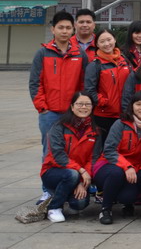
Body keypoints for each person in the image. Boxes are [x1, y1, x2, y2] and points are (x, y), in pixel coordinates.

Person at [29, 11, 87, 202]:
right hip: (50, 113)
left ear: (73, 30)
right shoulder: (43, 53)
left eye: (68, 28)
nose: (64, 31)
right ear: (53, 29)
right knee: (49, 152)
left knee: (73, 150)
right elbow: (35, 83)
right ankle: (47, 191)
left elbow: (84, 84)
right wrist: (42, 107)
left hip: (73, 113)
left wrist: (80, 109)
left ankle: (71, 188)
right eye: (60, 27)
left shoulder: (79, 54)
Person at [93, 90, 141, 225]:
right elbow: (109, 150)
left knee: (128, 197)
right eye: (138, 104)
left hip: (137, 168)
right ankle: (106, 209)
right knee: (116, 173)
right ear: (132, 106)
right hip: (111, 164)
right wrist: (127, 166)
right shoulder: (121, 124)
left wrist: (135, 169)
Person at [41, 91, 102, 223]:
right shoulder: (59, 126)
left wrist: (81, 182)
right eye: (80, 104)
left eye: (87, 104)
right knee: (71, 174)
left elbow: (93, 159)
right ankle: (54, 207)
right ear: (72, 107)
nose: (84, 107)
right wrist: (80, 172)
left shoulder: (95, 131)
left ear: (92, 107)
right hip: (54, 172)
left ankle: (62, 194)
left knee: (79, 203)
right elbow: (58, 155)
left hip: (78, 175)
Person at [84, 28, 132, 139]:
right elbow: (89, 89)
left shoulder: (124, 60)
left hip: (125, 112)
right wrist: (103, 102)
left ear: (114, 39)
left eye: (109, 39)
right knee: (104, 145)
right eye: (102, 41)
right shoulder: (95, 65)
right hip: (104, 115)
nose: (107, 44)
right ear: (97, 44)